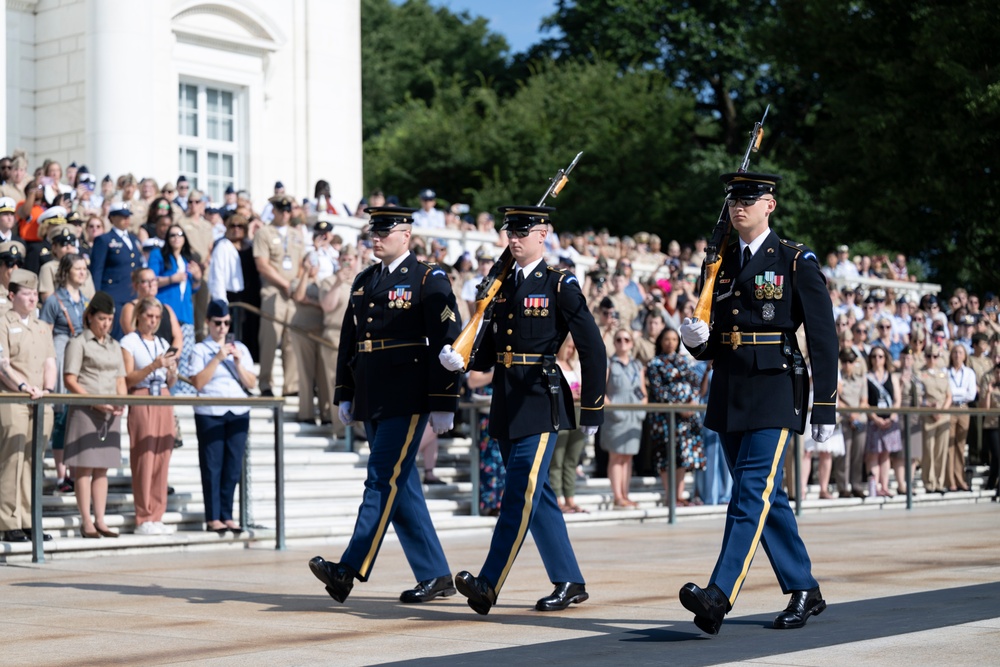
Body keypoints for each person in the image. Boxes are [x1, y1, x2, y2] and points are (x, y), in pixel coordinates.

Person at [678, 172, 838, 634]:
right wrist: (696, 343)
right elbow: (717, 338)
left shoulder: (793, 260)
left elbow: (823, 339)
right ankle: (804, 588)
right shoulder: (720, 263)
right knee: (768, 498)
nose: (738, 207)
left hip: (775, 388)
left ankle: (719, 595)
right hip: (731, 390)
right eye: (733, 200)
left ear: (770, 205)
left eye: (748, 199)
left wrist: (823, 405)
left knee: (749, 494)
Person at [438, 204, 606, 616]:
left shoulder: (559, 284)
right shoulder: (501, 287)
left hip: (540, 400)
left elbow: (592, 346)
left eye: (523, 232)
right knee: (538, 496)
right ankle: (569, 580)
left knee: (519, 493)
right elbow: (492, 351)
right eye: (509, 232)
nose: (514, 239)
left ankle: (488, 583)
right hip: (507, 400)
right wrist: (464, 358)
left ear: (543, 235)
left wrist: (594, 408)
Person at [308, 206, 462, 605]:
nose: (375, 237)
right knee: (403, 487)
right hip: (373, 394)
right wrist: (345, 391)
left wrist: (445, 399)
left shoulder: (429, 278)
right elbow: (349, 342)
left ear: (406, 234)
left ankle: (348, 569)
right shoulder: (364, 281)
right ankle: (435, 575)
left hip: (408, 396)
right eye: (371, 231)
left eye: (384, 230)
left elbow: (449, 342)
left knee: (380, 478)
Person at [189, 300, 257, 534]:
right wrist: (217, 358)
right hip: (211, 411)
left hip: (238, 411)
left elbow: (252, 382)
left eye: (226, 323)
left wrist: (237, 362)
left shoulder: (241, 348)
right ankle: (213, 516)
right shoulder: (200, 349)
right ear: (208, 322)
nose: (222, 328)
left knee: (232, 466)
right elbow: (197, 383)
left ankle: (227, 515)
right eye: (217, 323)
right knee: (212, 465)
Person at [62, 292, 127, 538]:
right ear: (90, 317)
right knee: (85, 468)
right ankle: (86, 520)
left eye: (110, 319)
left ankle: (100, 519)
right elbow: (70, 379)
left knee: (103, 468)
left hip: (110, 413)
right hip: (86, 410)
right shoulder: (79, 343)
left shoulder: (114, 345)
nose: (106, 324)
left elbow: (120, 378)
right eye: (102, 318)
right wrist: (96, 401)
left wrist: (121, 402)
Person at [0, 269, 56, 542]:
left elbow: (50, 361)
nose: (33, 298)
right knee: (13, 459)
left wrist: (48, 388)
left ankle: (29, 519)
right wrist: (23, 387)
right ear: (12, 295)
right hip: (13, 398)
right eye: (26, 293)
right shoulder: (2, 322)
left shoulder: (41, 326)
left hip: (39, 399)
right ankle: (8, 520)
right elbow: (2, 365)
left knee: (33, 461)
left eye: (35, 294)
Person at [120, 297, 179, 535]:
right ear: (139, 316)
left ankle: (157, 513)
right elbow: (127, 378)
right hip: (142, 396)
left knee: (163, 455)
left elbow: (170, 381)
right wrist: (154, 366)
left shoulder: (162, 341)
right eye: (148, 317)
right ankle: (143, 514)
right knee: (144, 456)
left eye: (156, 317)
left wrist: (171, 371)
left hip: (163, 396)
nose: (153, 322)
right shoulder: (129, 341)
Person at [39, 254, 92, 492]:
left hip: (81, 355)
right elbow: (44, 335)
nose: (82, 272)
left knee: (77, 416)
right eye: (77, 268)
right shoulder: (54, 300)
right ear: (66, 271)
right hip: (61, 352)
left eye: (84, 268)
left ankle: (75, 469)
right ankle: (62, 474)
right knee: (61, 415)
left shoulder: (86, 301)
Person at [645, 327, 704, 506]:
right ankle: (670, 496)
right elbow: (658, 390)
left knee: (682, 456)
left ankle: (679, 495)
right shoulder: (654, 364)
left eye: (674, 339)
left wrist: (692, 403)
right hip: (665, 416)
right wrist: (678, 407)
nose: (670, 342)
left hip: (687, 417)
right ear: (660, 342)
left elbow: (695, 384)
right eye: (667, 339)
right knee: (666, 455)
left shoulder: (685, 361)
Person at [253, 194, 303, 397]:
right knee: (269, 339)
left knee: (292, 339)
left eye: (287, 210)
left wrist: (296, 284)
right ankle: (265, 382)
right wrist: (284, 284)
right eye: (280, 210)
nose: (284, 214)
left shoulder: (297, 234)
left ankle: (290, 385)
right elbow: (262, 265)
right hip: (273, 291)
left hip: (292, 292)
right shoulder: (264, 232)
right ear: (273, 211)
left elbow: (300, 264)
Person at [148, 224, 202, 391]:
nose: (176, 238)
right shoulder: (158, 255)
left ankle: (184, 389)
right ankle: (165, 389)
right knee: (166, 353)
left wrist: (198, 277)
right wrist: (172, 279)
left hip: (185, 313)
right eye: (172, 235)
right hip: (165, 312)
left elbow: (193, 288)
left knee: (185, 354)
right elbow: (151, 279)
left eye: (179, 234)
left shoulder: (187, 259)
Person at [603, 328, 646, 508]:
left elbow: (643, 390)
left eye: (626, 340)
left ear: (631, 343)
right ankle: (617, 495)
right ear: (614, 343)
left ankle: (625, 494)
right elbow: (601, 390)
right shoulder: (610, 364)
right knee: (616, 456)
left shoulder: (637, 365)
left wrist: (641, 409)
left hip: (634, 416)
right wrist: (613, 409)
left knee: (628, 457)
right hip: (616, 415)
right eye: (619, 340)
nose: (623, 343)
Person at [89, 202, 144, 339]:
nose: (126, 219)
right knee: (117, 335)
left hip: (132, 295)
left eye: (127, 216)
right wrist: (97, 296)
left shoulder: (133, 238)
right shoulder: (104, 239)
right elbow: (97, 270)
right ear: (112, 218)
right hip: (114, 295)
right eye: (121, 216)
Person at [550, 335, 588, 513]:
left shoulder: (574, 366)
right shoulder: (553, 364)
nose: (571, 350)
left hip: (577, 413)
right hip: (562, 412)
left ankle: (570, 498)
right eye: (569, 347)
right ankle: (557, 498)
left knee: (572, 459)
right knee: (557, 459)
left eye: (573, 348)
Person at [864, 348, 902, 496]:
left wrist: (892, 416)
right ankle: (875, 487)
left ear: (885, 358)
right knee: (874, 454)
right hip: (874, 420)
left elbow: (897, 400)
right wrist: (875, 418)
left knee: (886, 454)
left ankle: (884, 486)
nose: (877, 359)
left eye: (880, 356)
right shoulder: (867, 377)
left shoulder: (892, 377)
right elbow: (865, 401)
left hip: (890, 420)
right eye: (874, 356)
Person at [835, 349, 869, 498]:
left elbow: (864, 401)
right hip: (844, 419)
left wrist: (855, 414)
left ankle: (856, 485)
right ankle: (843, 487)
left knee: (858, 455)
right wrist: (850, 414)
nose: (847, 365)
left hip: (859, 419)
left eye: (850, 362)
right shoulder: (838, 378)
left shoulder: (861, 379)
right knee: (845, 455)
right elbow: (837, 399)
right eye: (844, 362)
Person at [919, 343, 952, 494]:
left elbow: (949, 396)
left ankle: (939, 481)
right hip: (928, 415)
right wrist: (932, 410)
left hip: (943, 415)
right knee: (928, 451)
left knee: (940, 450)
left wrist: (942, 410)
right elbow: (918, 397)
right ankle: (929, 482)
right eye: (929, 356)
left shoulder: (943, 374)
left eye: (935, 356)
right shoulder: (920, 374)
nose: (932, 359)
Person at [945, 343, 976, 492]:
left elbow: (971, 394)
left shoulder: (969, 372)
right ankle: (950, 480)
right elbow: (947, 391)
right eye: (955, 352)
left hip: (963, 407)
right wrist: (959, 392)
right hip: (950, 407)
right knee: (949, 445)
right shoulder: (946, 372)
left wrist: (955, 393)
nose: (957, 355)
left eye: (960, 352)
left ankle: (960, 478)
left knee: (960, 445)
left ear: (964, 355)